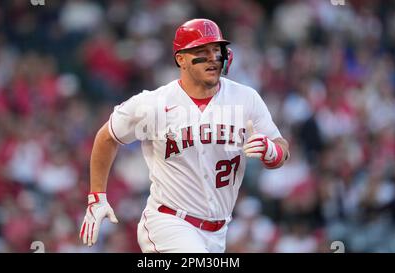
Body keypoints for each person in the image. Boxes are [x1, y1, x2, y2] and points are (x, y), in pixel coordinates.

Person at [79, 18, 290, 253]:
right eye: (202, 51)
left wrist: (272, 151)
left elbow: (281, 149)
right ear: (181, 59)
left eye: (216, 50)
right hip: (169, 222)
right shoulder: (153, 103)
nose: (212, 58)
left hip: (218, 231)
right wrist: (97, 196)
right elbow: (107, 136)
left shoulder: (246, 98)